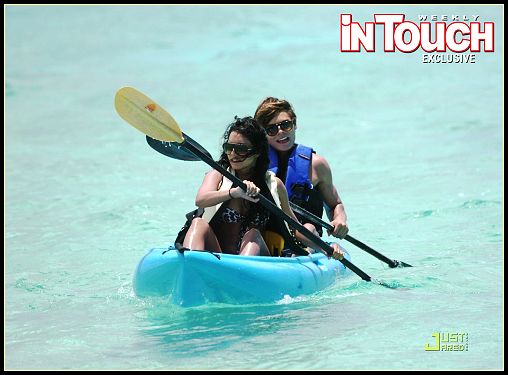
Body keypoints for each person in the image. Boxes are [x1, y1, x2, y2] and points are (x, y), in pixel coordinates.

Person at [180, 116, 344, 259]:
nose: (233, 155)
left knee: (253, 235)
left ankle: (240, 277)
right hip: (217, 254)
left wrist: (326, 248)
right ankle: (190, 265)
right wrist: (234, 192)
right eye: (229, 148)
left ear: (257, 152)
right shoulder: (218, 175)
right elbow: (200, 199)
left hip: (254, 261)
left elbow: (295, 228)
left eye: (241, 150)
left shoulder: (273, 184)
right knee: (198, 224)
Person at [254, 97, 349, 241]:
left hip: (306, 241)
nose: (280, 132)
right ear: (262, 134)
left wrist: (339, 220)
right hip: (266, 240)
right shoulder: (253, 163)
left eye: (285, 125)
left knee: (309, 229)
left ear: (294, 124)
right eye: (271, 129)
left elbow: (335, 204)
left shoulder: (316, 165)